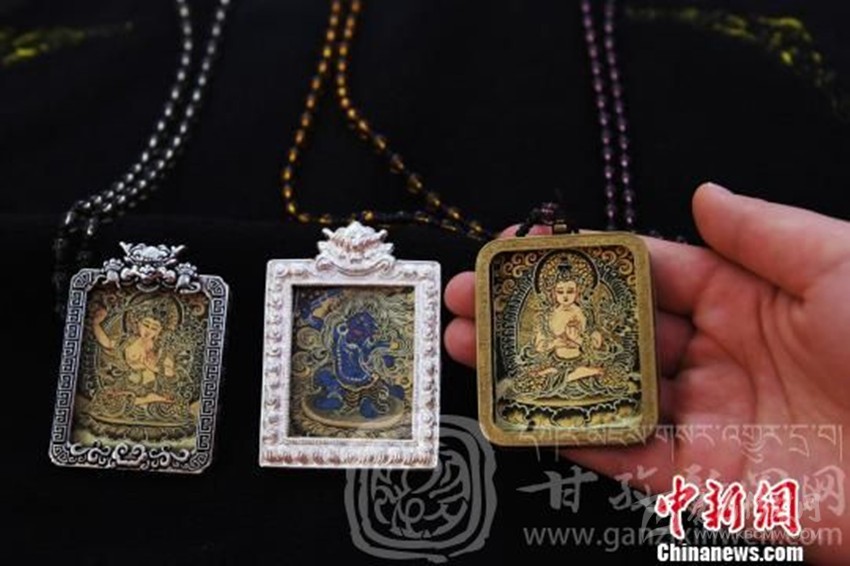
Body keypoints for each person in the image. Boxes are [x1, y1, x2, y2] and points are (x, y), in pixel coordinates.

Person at [443, 182, 850, 564]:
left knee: (599, 369)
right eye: (560, 292)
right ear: (551, 293)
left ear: (579, 291)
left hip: (582, 360)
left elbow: (594, 341)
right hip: (557, 361)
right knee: (542, 371)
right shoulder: (549, 315)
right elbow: (540, 346)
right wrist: (552, 344)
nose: (566, 296)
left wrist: (589, 340)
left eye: (571, 291)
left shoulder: (582, 312)